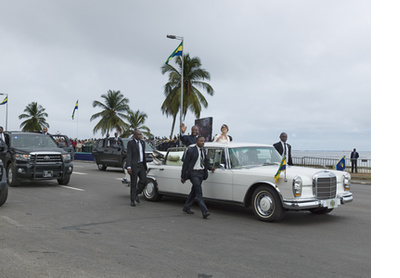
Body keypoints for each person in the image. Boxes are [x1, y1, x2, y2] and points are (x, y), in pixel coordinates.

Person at [181, 136, 215, 219]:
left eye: (203, 141)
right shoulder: (191, 150)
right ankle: (204, 211)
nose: (203, 142)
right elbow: (185, 164)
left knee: (194, 191)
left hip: (201, 173)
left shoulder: (203, 150)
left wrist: (210, 168)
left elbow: (205, 162)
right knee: (199, 192)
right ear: (197, 141)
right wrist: (183, 176)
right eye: (201, 141)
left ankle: (186, 207)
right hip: (194, 173)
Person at [126, 129, 148, 207]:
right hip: (134, 165)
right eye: (139, 134)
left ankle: (136, 194)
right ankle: (132, 200)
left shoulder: (142, 143)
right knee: (134, 183)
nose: (140, 136)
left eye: (141, 134)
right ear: (135, 135)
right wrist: (128, 167)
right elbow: (129, 155)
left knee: (144, 181)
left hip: (141, 165)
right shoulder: (131, 143)